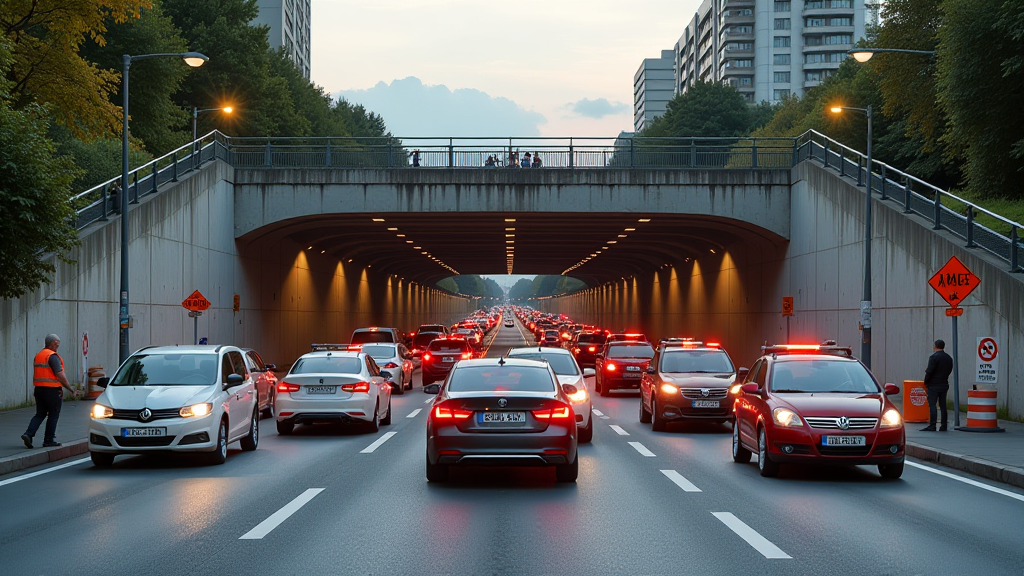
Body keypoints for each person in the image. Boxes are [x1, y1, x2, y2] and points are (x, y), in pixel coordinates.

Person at [22, 334, 78, 448]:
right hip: (52, 391)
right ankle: (48, 439)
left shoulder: (39, 355)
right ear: (53, 343)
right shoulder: (52, 356)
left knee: (40, 414)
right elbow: (59, 374)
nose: (58, 346)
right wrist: (70, 388)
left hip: (39, 390)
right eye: (57, 343)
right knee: (53, 415)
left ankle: (28, 434)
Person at [921, 338, 954, 431]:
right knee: (943, 405)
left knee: (932, 405)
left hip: (933, 385)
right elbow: (949, 370)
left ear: (935, 346)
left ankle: (932, 425)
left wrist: (925, 382)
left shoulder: (933, 357)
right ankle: (944, 425)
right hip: (944, 384)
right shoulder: (948, 358)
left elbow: (929, 371)